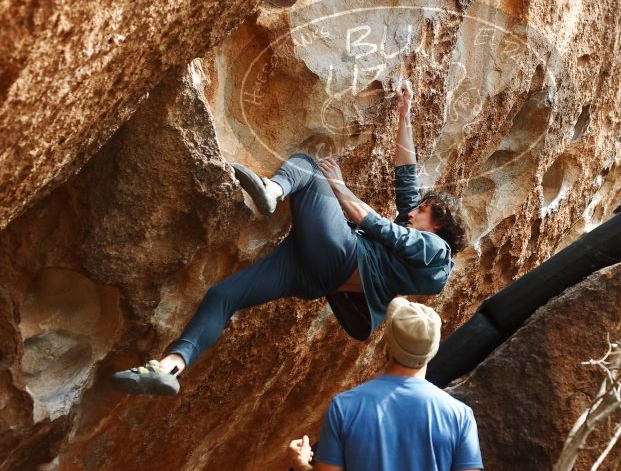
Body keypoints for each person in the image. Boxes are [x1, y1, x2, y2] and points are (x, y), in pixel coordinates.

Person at [111, 80, 469, 395]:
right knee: (224, 295)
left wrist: (340, 187)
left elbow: (375, 224)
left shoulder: (436, 252)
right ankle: (171, 366)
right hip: (312, 274)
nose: (412, 210)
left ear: (437, 223)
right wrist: (405, 114)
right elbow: (405, 175)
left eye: (421, 210)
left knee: (308, 165)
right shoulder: (419, 243)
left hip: (340, 255)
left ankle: (273, 189)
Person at [287, 297, 483, 471]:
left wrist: (301, 464)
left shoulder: (344, 407)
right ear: (432, 351)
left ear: (386, 346)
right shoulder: (460, 416)